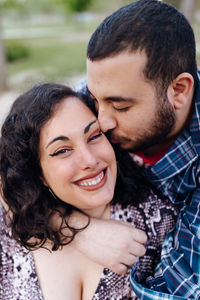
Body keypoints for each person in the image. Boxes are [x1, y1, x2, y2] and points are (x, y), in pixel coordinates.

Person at [0, 83, 177, 299]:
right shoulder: (13, 225)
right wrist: (80, 230)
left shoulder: (159, 222)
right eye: (63, 150)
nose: (90, 160)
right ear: (38, 174)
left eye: (94, 136)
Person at [74, 0, 200, 298]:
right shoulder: (105, 92)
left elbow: (177, 290)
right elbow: (11, 166)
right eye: (95, 99)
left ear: (179, 90)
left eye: (120, 106)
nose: (101, 122)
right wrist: (76, 229)